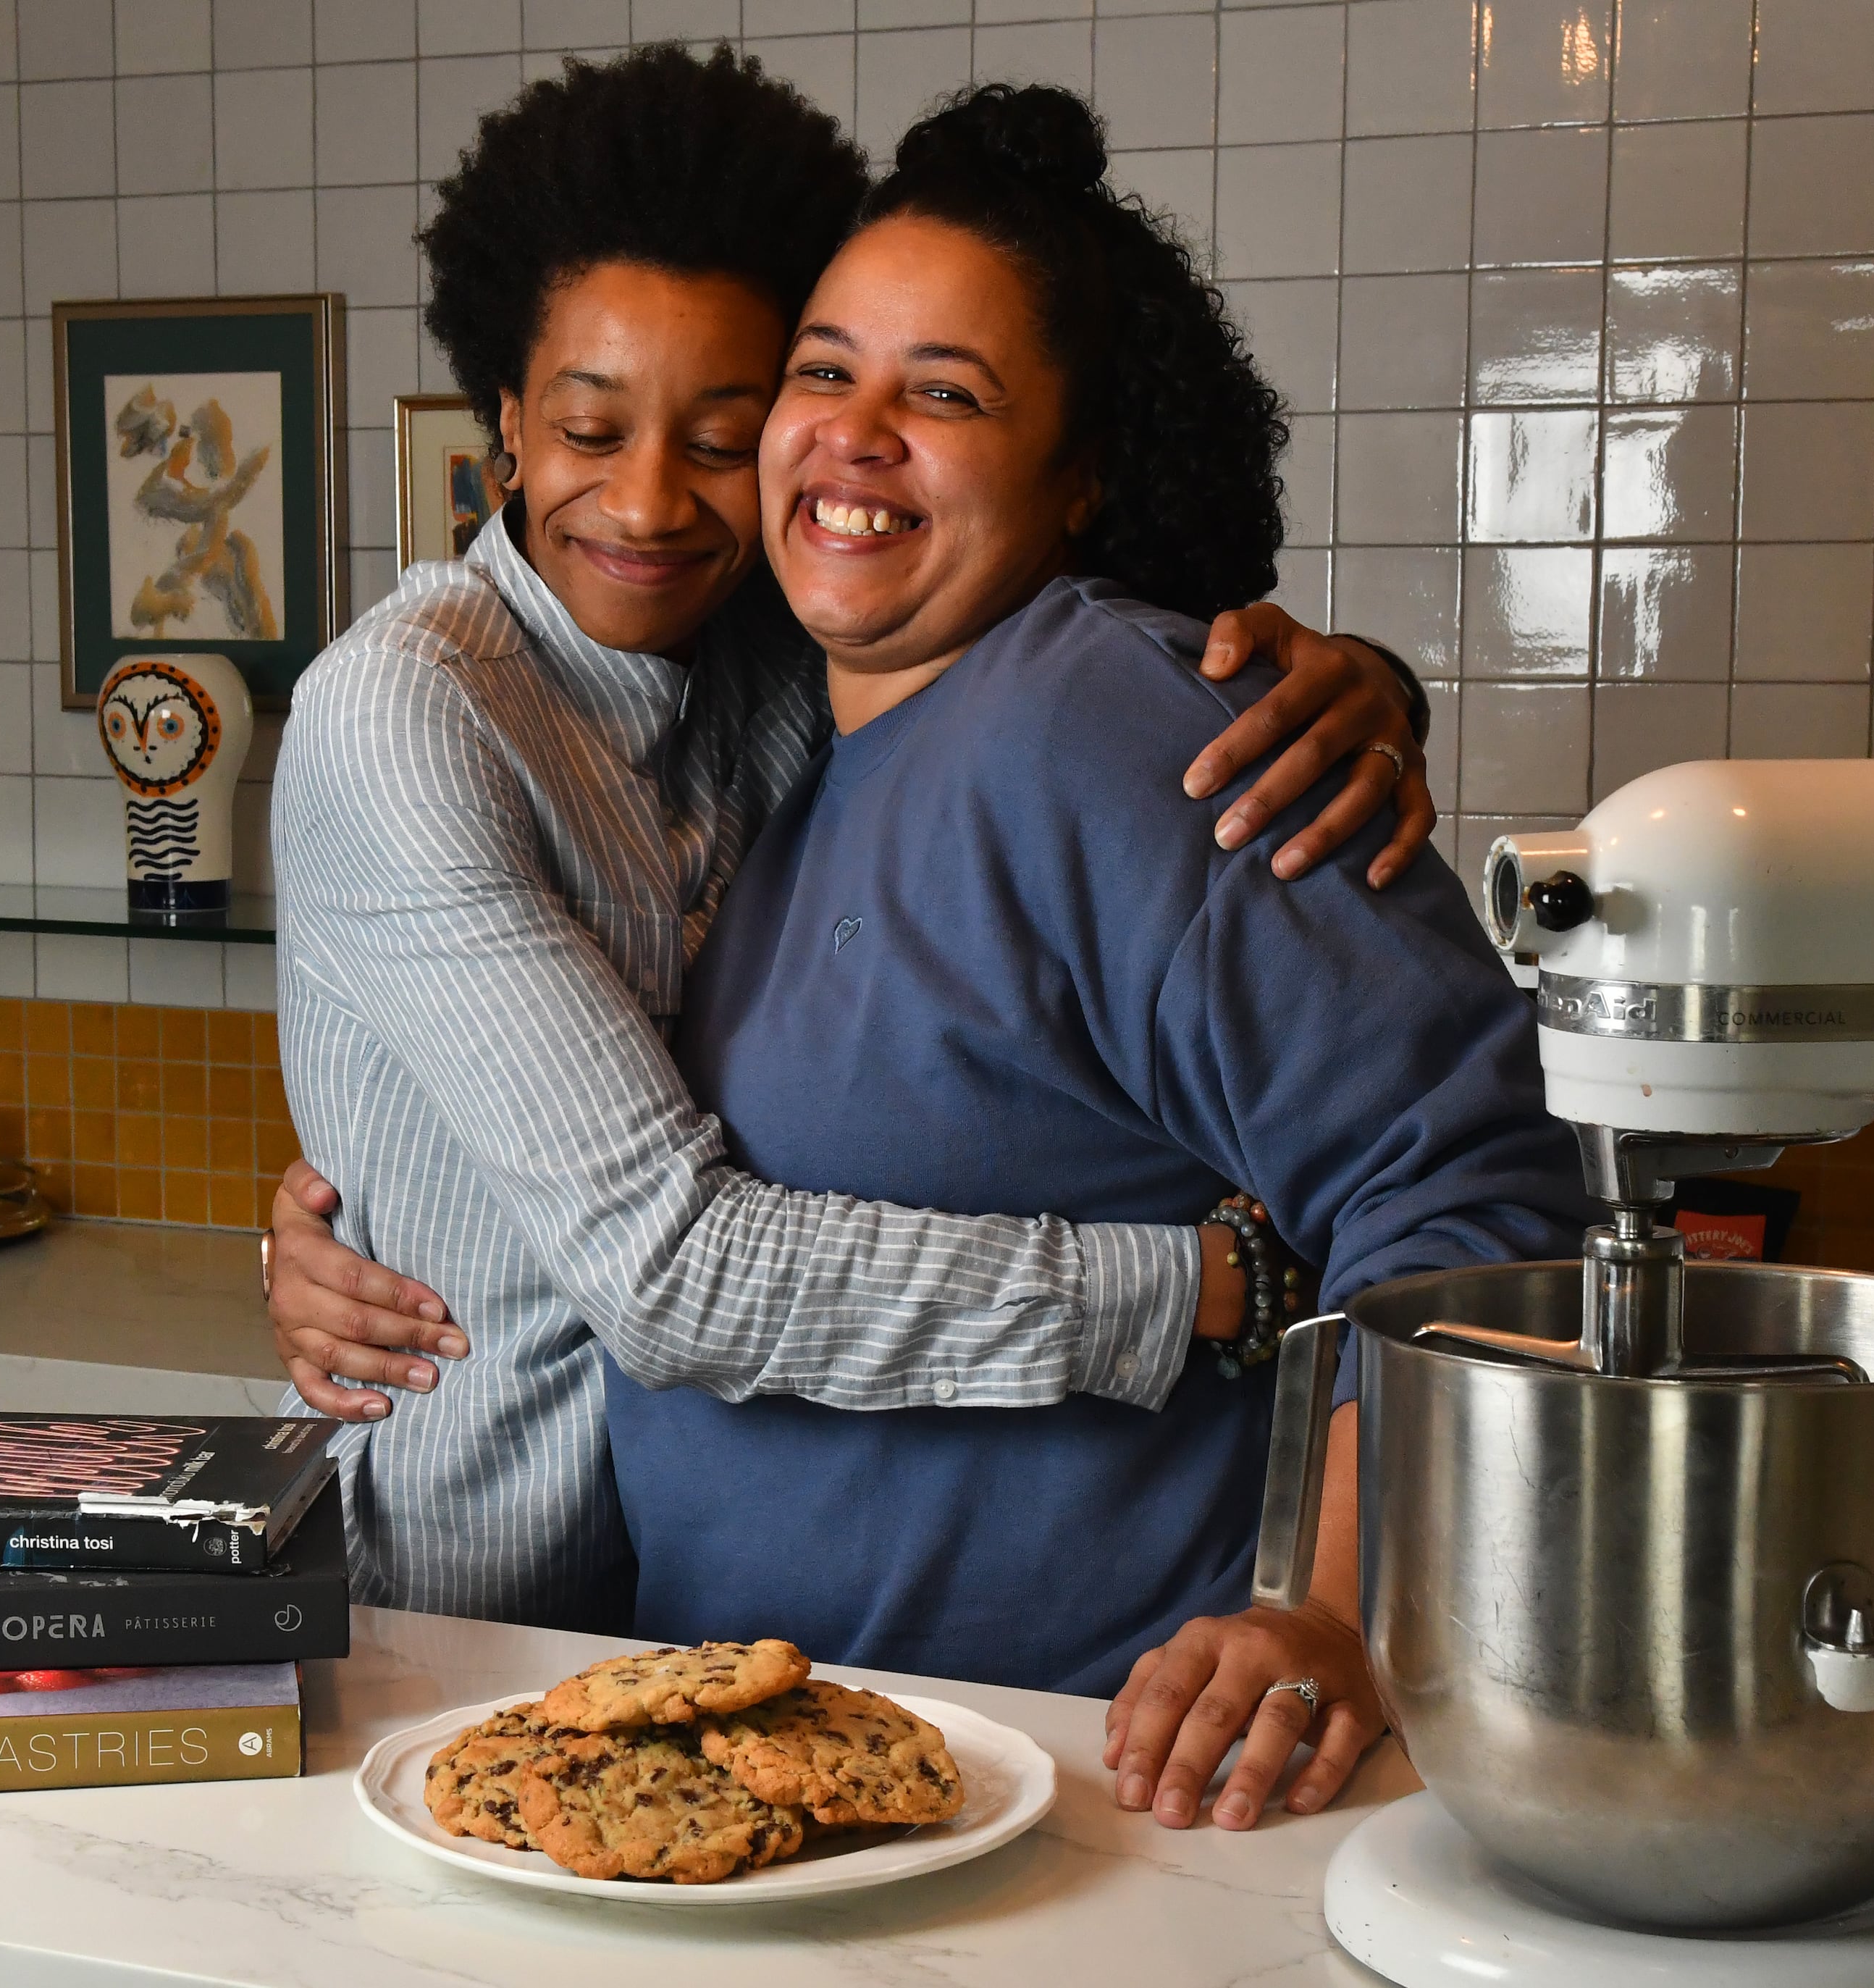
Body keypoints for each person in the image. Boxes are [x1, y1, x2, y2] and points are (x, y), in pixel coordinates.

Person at [266, 46, 1438, 1634]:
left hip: (698, 1618)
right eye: (591, 428)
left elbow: (1062, 692)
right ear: (505, 429)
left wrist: (1365, 685)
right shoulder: (418, 708)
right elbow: (662, 1264)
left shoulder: (781, 665)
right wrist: (1205, 1287)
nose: (649, 501)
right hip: (479, 1614)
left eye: (721, 427)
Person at [589, 83, 1589, 1831]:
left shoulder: (1111, 724)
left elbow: (1473, 1180)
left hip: (1074, 1787)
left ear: (1084, 474)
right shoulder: (772, 746)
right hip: (781, 1788)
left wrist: (1341, 1616)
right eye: (826, 372)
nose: (857, 433)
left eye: (947, 393)